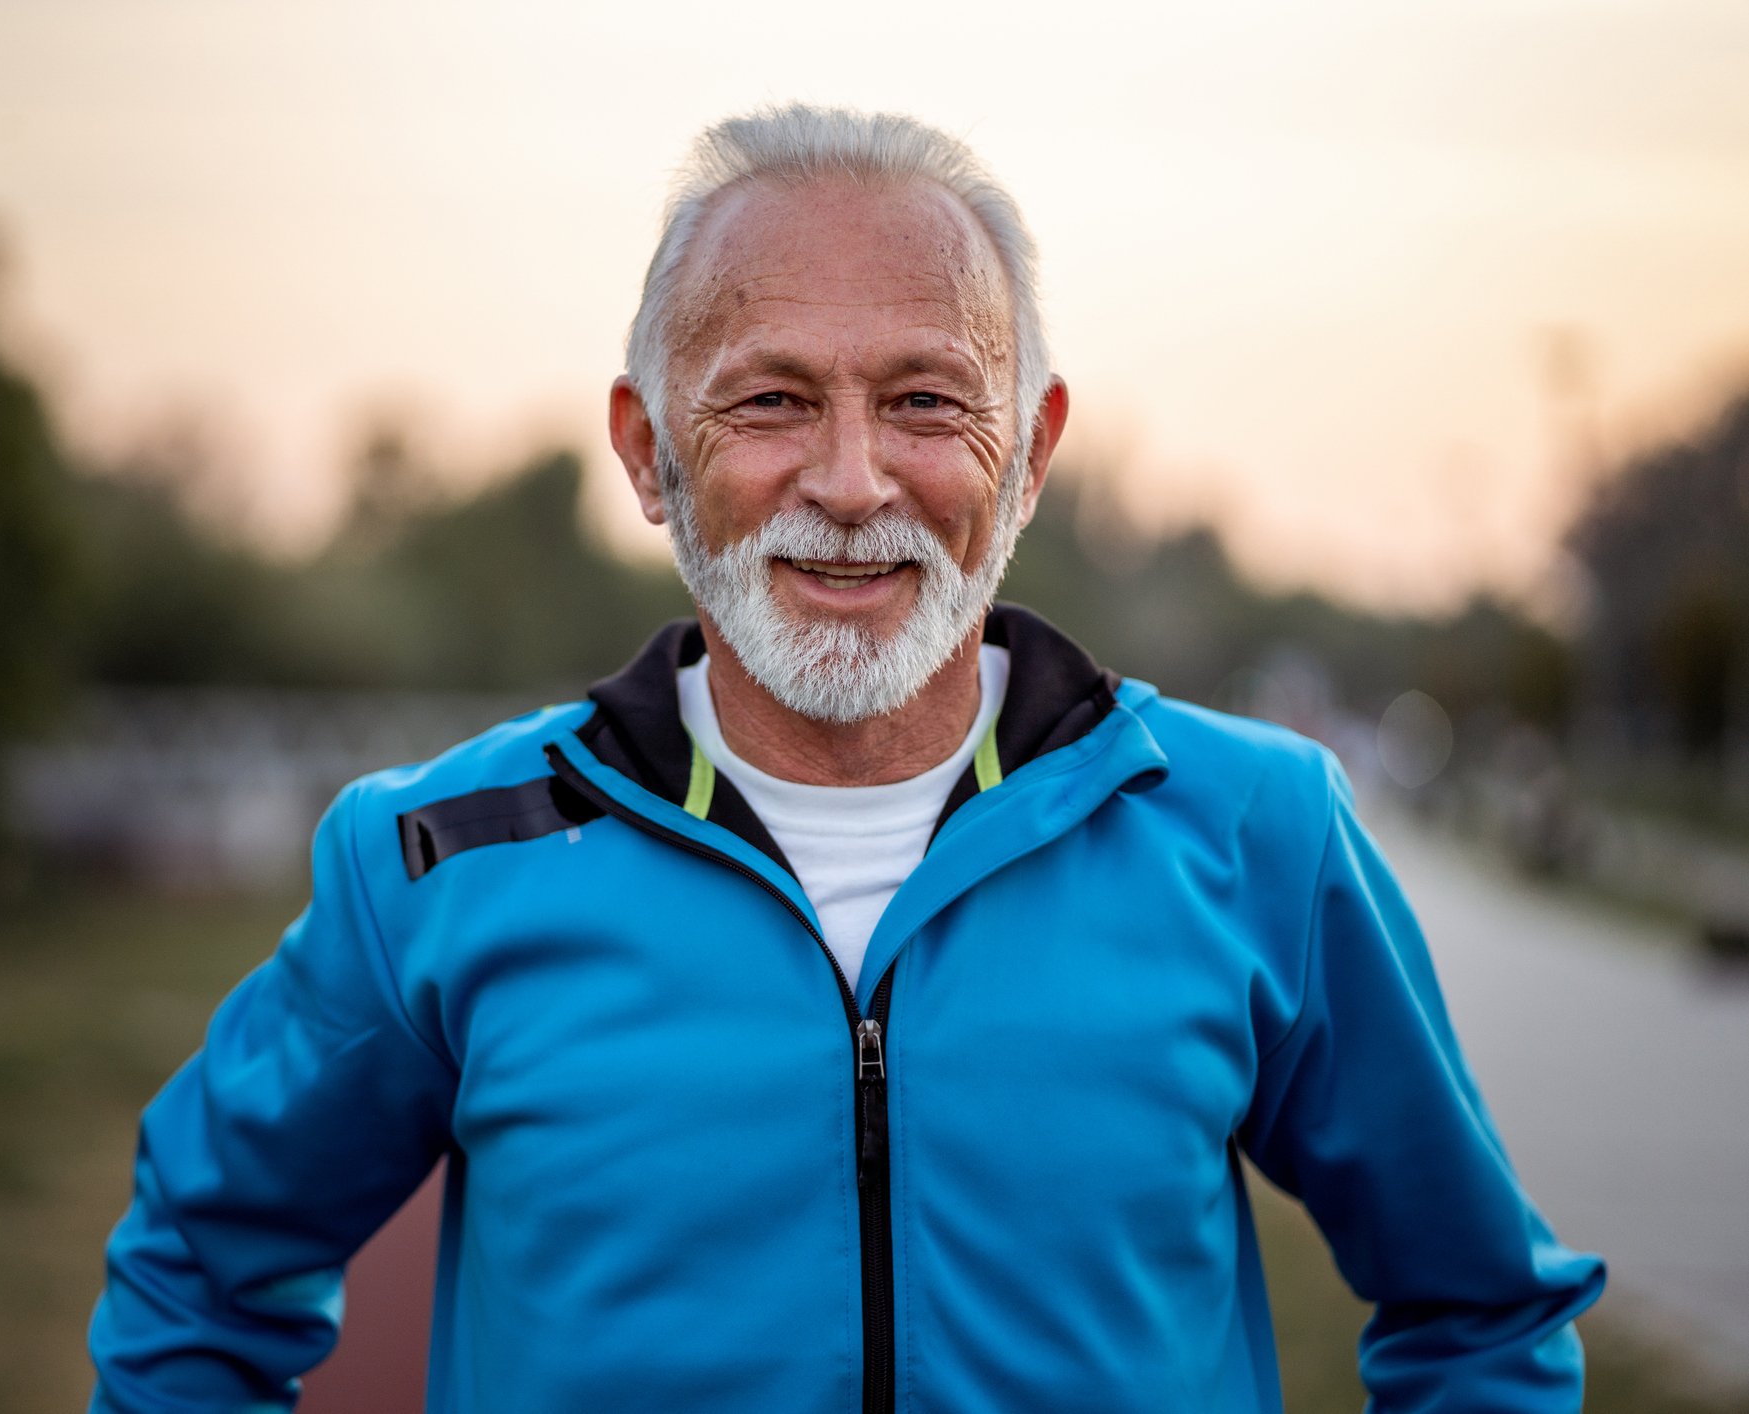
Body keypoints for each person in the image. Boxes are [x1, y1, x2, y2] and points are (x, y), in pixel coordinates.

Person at [87, 105, 1604, 1413]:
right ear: (645, 450)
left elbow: (1479, 1309)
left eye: (927, 400)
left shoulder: (1251, 830)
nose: (852, 479)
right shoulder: (435, 856)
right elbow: (198, 1273)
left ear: (1029, 453)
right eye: (769, 399)